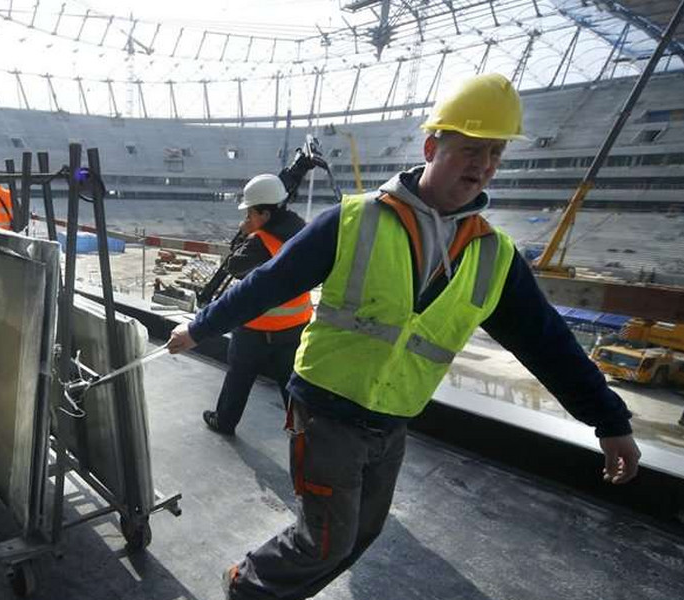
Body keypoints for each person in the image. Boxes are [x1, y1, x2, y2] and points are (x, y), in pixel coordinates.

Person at [165, 73, 641, 600]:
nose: (482, 165)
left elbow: (547, 343)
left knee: (360, 534)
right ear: (433, 146)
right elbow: (267, 284)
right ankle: (247, 588)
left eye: (495, 154)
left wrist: (608, 418)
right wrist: (200, 327)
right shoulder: (354, 220)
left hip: (391, 421)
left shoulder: (493, 254)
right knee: (327, 540)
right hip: (326, 409)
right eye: (469, 149)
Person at [202, 173, 312, 436]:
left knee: (239, 376)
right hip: (296, 325)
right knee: (291, 384)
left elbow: (234, 266)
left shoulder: (260, 242)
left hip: (256, 326)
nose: (248, 218)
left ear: (264, 214)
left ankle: (224, 421)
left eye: (251, 213)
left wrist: (246, 234)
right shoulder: (304, 230)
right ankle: (302, 434)